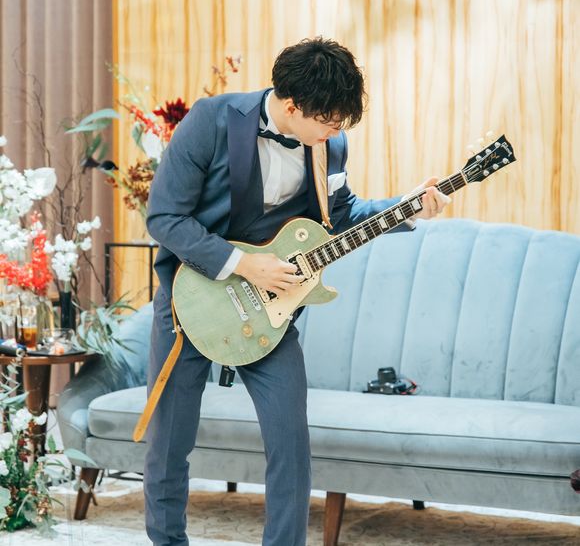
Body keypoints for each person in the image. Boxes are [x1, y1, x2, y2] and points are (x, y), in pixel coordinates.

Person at [144, 37, 450, 546]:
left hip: (272, 311)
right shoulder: (210, 120)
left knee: (291, 446)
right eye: (328, 121)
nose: (336, 131)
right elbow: (164, 217)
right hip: (189, 300)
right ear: (291, 106)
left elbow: (341, 215)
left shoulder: (331, 145)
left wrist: (408, 207)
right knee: (170, 442)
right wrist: (246, 265)